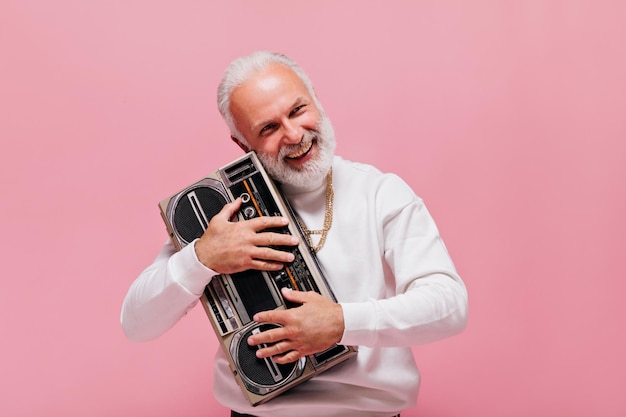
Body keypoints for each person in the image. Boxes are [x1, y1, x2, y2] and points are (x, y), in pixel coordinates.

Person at [121, 51, 468, 417]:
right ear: (243, 146)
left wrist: (342, 323)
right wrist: (202, 258)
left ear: (316, 101)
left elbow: (449, 306)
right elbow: (136, 325)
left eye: (298, 110)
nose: (293, 134)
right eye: (268, 128)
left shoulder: (381, 193)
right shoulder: (218, 211)